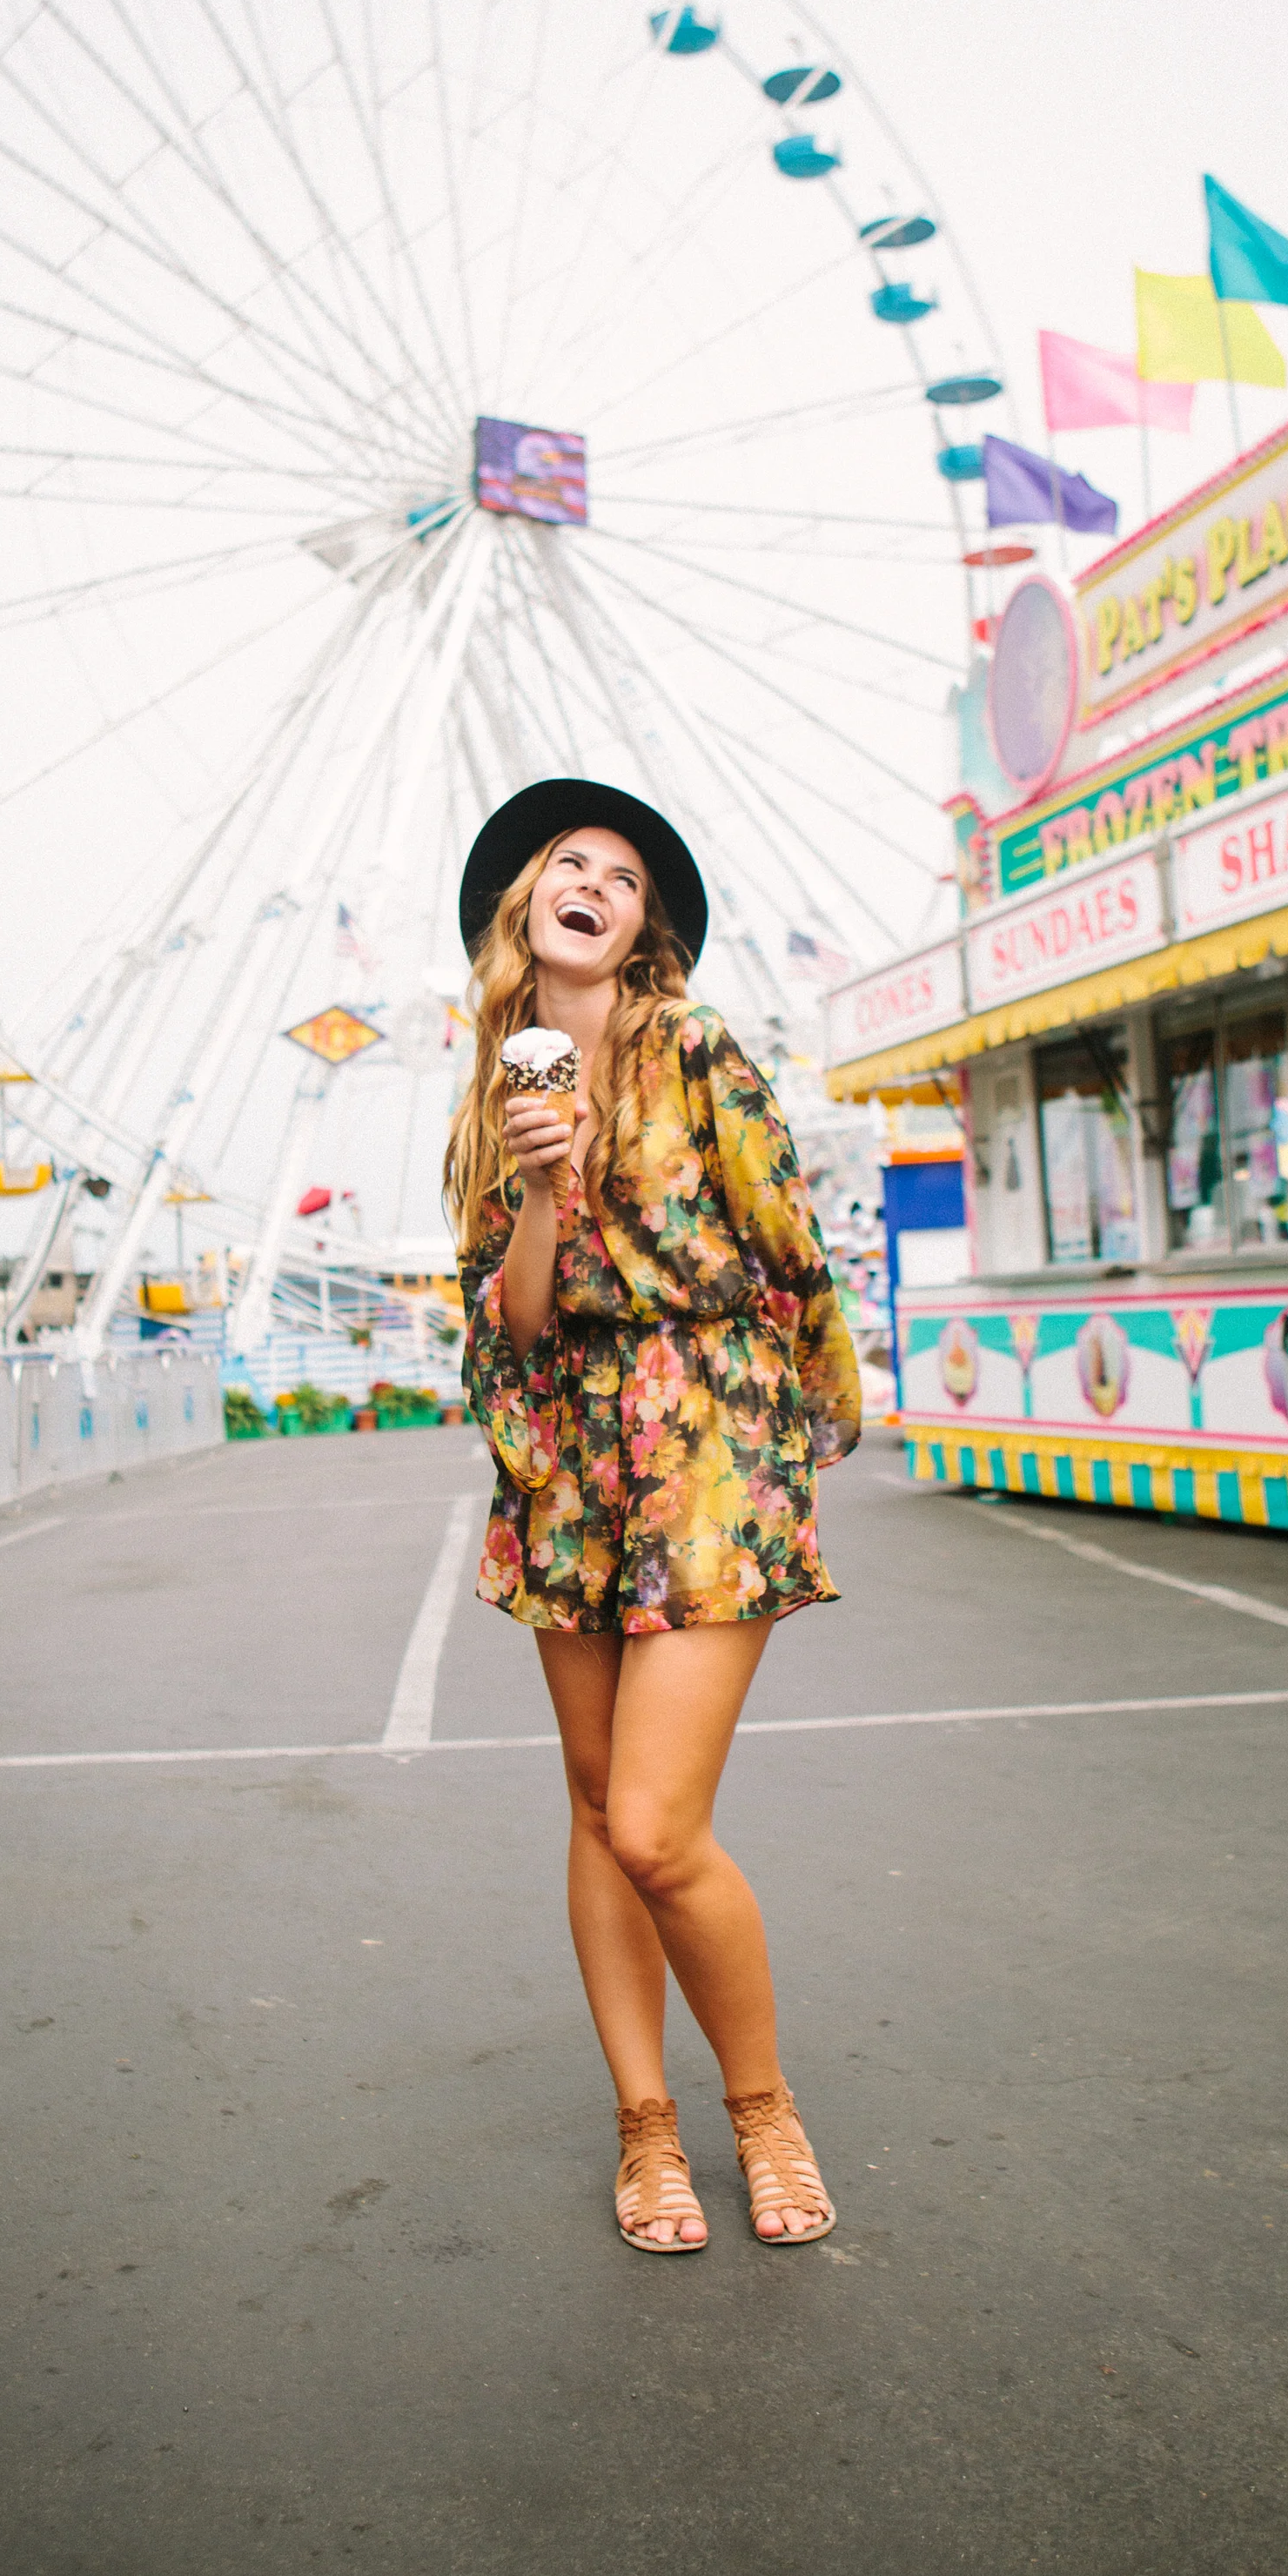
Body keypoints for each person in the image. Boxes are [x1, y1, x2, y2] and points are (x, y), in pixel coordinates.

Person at [445, 779, 861, 2253]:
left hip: (704, 1447)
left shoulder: (699, 1053)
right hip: (568, 1464)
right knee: (590, 1801)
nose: (595, 882)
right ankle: (647, 2127)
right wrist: (544, 1182)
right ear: (525, 909)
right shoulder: (501, 1093)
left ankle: (762, 2109)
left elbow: (785, 1238)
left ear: (642, 932)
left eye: (622, 875)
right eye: (571, 863)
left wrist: (816, 1409)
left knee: (653, 1823)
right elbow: (517, 1318)